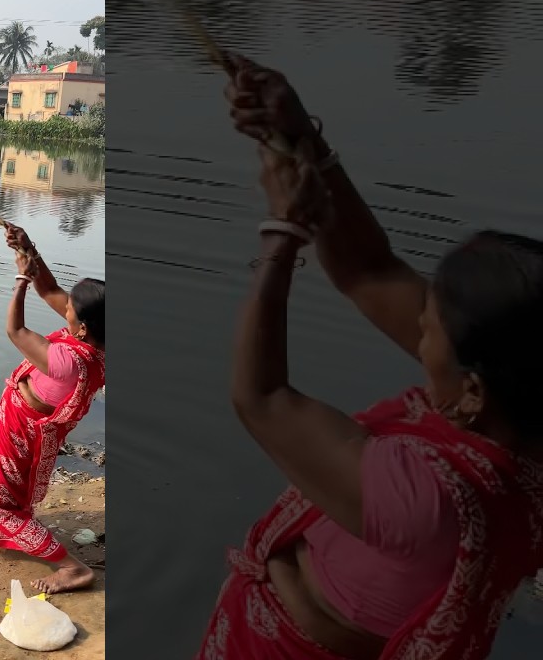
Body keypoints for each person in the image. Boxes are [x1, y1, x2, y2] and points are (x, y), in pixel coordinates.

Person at [196, 54, 543, 660]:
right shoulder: (523, 396)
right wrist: (299, 137)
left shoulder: (429, 499)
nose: (415, 327)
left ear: (473, 390)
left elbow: (263, 400)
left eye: (427, 327)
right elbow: (368, 270)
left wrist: (283, 234)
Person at [0, 221, 106, 594]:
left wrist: (20, 280)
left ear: (83, 327)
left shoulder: (69, 361)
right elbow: (52, 289)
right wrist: (27, 249)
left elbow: (17, 332)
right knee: (6, 492)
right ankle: (21, 531)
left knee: (3, 505)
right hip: (27, 424)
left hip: (23, 429)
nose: (64, 308)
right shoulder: (100, 341)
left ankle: (72, 568)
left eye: (70, 309)